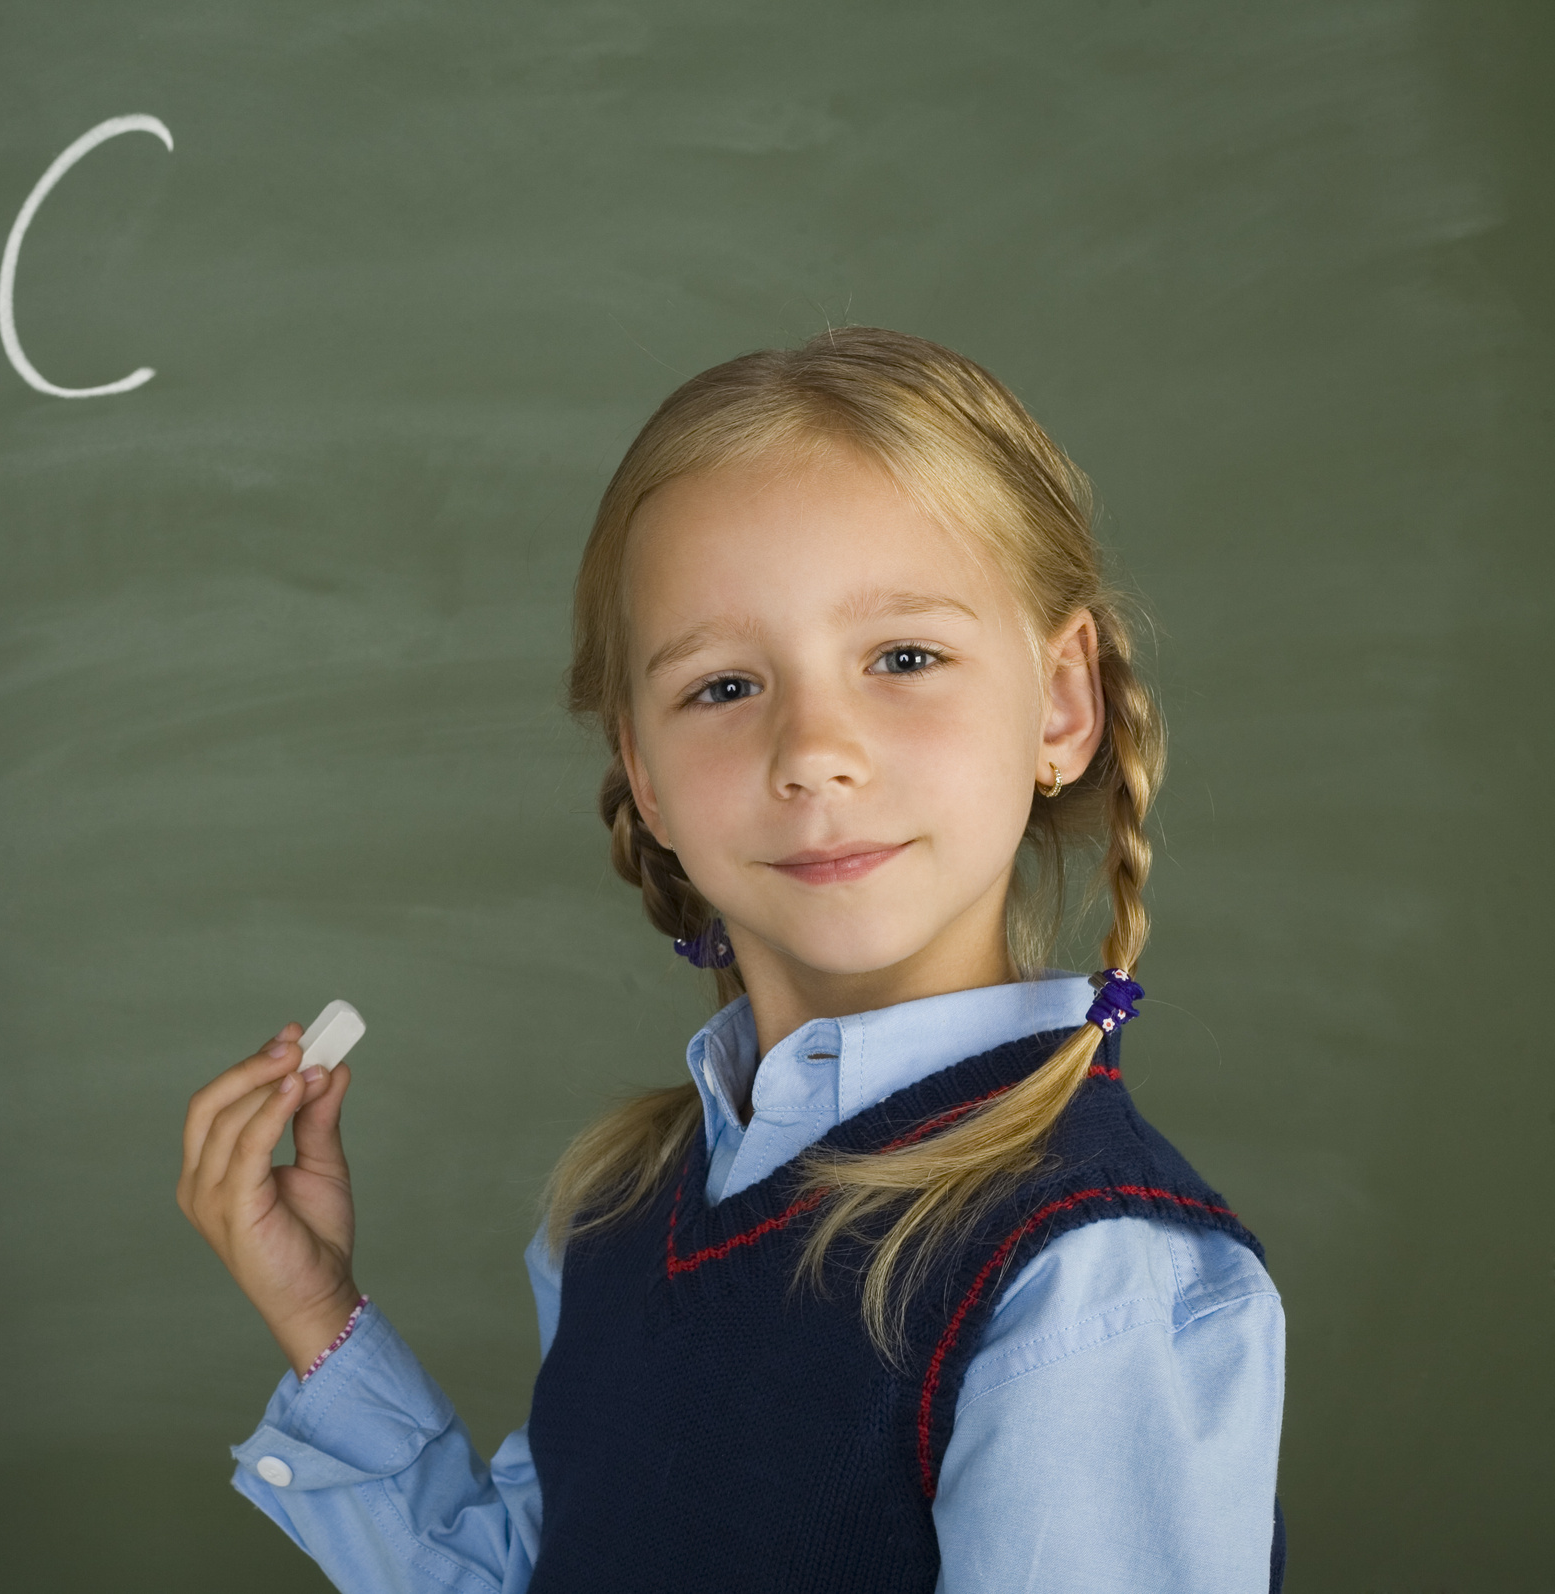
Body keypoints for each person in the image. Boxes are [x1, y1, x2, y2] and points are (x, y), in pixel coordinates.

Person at [177, 328, 1286, 1593]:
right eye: (721, 686)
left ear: (1058, 703)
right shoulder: (619, 1212)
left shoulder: (1088, 1280)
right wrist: (320, 1319)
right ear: (642, 777)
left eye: (903, 658)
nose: (813, 749)